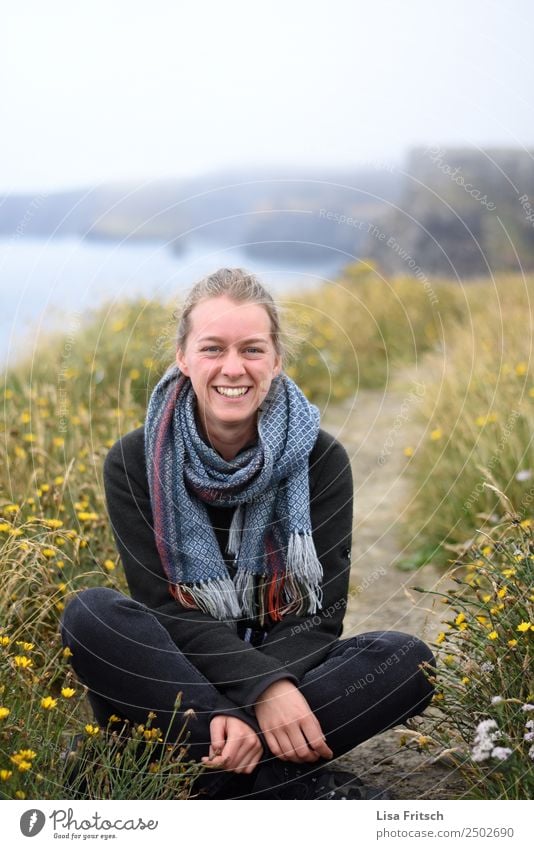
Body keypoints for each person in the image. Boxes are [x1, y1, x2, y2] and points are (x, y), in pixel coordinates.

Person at [61, 267, 436, 800]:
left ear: (276, 360)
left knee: (407, 660)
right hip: (178, 683)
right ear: (183, 357)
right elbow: (165, 608)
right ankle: (289, 785)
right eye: (212, 348)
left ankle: (199, 776)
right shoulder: (133, 459)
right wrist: (257, 695)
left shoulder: (321, 459)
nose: (232, 368)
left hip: (277, 676)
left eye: (253, 350)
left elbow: (317, 617)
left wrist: (271, 688)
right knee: (92, 614)